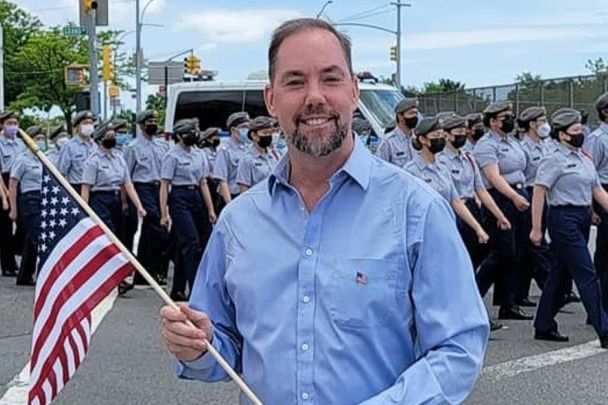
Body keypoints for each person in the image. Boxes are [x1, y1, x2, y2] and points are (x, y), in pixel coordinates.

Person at [160, 18, 489, 404]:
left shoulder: (416, 211)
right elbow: (224, 347)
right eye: (295, 81)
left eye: (330, 79)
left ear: (353, 91)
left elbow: (457, 348)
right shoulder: (238, 224)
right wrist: (199, 345)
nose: (314, 96)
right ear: (271, 99)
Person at [530, 108, 608, 348]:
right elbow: (539, 191)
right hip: (562, 218)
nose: (580, 133)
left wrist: (595, 210)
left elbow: (597, 190)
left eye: (580, 129)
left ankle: (543, 324)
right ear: (562, 135)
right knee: (587, 274)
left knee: (560, 273)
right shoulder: (554, 159)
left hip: (582, 216)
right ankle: (604, 329)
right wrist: (536, 228)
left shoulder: (583, 157)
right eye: (575, 131)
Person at [473, 101, 533, 321]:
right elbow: (493, 176)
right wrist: (514, 197)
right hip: (501, 199)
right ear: (492, 121)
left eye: (510, 115)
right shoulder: (486, 145)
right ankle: (473, 297)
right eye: (504, 117)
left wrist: (522, 194)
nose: (509, 119)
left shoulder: (513, 142)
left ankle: (508, 303)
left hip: (519, 194)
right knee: (501, 252)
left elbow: (522, 169)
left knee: (516, 253)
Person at [81, 121, 146, 295]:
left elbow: (128, 184)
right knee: (109, 239)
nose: (112, 138)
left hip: (115, 200)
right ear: (100, 139)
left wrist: (138, 206)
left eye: (113, 135)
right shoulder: (92, 161)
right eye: (109, 135)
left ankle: (113, 278)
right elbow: (86, 188)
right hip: (99, 200)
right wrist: (84, 212)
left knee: (120, 238)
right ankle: (114, 279)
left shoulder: (119, 158)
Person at [438, 113, 511, 267]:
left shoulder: (468, 158)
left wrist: (500, 216)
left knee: (484, 252)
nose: (462, 136)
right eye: (458, 133)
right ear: (446, 135)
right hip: (454, 212)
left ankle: (474, 289)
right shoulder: (440, 161)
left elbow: (481, 190)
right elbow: (452, 197)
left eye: (464, 132)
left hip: (473, 209)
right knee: (460, 259)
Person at [404, 116, 490, 245]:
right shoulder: (411, 171)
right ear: (423, 139)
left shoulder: (443, 167)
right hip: (426, 231)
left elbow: (455, 201)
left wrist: (477, 228)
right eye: (436, 135)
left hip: (448, 224)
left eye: (442, 135)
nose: (441, 139)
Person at [160, 119, 217, 301]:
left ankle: (177, 288)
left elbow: (203, 183)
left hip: (196, 197)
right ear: (179, 136)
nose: (193, 135)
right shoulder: (172, 156)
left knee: (189, 244)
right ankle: (196, 290)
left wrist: (210, 209)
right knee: (191, 244)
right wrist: (164, 213)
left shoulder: (199, 154)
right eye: (189, 132)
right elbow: (164, 185)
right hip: (179, 197)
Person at [124, 110, 171, 286]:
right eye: (148, 121)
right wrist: (126, 199)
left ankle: (145, 274)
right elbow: (126, 174)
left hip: (159, 188)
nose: (152, 123)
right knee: (157, 225)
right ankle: (154, 269)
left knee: (149, 235)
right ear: (141, 125)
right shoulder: (133, 147)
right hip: (142, 187)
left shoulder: (162, 146)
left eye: (154, 120)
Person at [8, 126, 44, 286]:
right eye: (37, 139)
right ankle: (45, 275)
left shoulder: (44, 158)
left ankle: (24, 275)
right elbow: (13, 185)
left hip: (42, 198)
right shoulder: (22, 160)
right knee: (39, 237)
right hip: (29, 199)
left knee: (31, 239)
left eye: (42, 138)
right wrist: (13, 209)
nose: (41, 142)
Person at [584, 92, 608, 309]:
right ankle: (599, 305)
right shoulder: (597, 139)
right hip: (603, 191)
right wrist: (591, 209)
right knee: (605, 251)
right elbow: (589, 175)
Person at [0, 111, 25, 277]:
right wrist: (5, 193)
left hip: (21, 182)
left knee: (23, 223)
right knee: (5, 227)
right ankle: (8, 264)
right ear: (2, 125)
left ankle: (16, 247)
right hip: (4, 181)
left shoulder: (20, 144)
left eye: (15, 123)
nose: (13, 126)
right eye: (9, 123)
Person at [213, 112, 250, 210]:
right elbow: (222, 180)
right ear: (233, 129)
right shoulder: (224, 150)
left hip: (246, 196)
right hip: (230, 196)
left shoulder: (248, 148)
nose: (247, 130)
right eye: (244, 127)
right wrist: (230, 206)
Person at [236, 116, 280, 193]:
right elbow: (243, 189)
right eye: (265, 133)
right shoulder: (247, 159)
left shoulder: (275, 155)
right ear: (254, 135)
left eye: (270, 133)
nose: (268, 136)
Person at [57, 110, 97, 194]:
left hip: (95, 188)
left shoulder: (95, 146)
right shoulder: (69, 146)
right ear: (77, 126)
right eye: (85, 123)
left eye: (91, 123)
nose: (89, 125)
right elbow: (61, 173)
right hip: (77, 188)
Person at [376, 98, 419, 167]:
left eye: (416, 113)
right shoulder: (388, 142)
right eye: (411, 113)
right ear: (400, 116)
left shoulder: (418, 139)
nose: (415, 116)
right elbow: (380, 168)